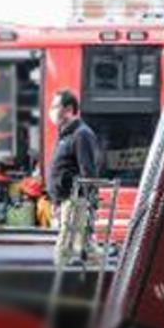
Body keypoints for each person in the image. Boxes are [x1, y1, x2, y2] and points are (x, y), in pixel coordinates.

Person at [47, 88, 101, 266]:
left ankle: (59, 275)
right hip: (65, 199)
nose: (52, 110)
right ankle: (103, 269)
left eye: (55, 106)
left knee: (65, 244)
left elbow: (88, 170)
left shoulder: (81, 134)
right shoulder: (65, 134)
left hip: (75, 199)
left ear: (69, 109)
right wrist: (55, 201)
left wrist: (90, 201)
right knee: (82, 244)